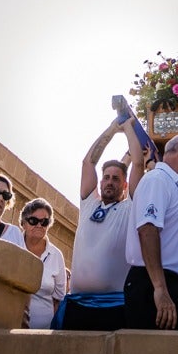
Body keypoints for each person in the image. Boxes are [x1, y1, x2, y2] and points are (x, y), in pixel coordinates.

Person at [60, 116, 144, 330]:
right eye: (106, 177)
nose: (109, 182)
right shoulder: (89, 204)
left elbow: (137, 163)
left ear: (124, 185)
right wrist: (110, 130)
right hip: (77, 305)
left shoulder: (130, 208)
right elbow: (88, 162)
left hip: (113, 307)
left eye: (115, 179)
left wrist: (128, 129)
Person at [124, 134, 178, 330]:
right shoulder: (157, 180)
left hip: (169, 285)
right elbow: (147, 230)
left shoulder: (173, 187)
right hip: (152, 285)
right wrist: (160, 288)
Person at [20, 198, 65, 329]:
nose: (39, 225)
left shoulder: (56, 256)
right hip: (10, 326)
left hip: (43, 332)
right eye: (33, 221)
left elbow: (58, 300)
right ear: (23, 223)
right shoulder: (14, 244)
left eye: (44, 222)